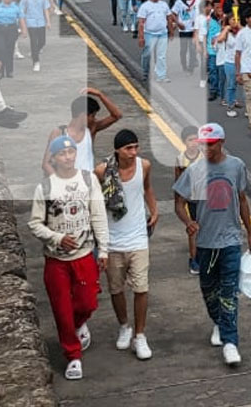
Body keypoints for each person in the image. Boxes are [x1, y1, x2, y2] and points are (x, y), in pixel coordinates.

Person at [173, 123, 251, 366]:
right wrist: (188, 221)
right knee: (210, 292)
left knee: (229, 292)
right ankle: (220, 323)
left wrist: (250, 233)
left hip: (231, 241)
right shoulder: (194, 171)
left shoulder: (236, 166)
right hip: (206, 243)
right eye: (203, 145)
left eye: (210, 144)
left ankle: (231, 342)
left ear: (221, 142)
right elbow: (178, 203)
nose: (206, 149)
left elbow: (242, 200)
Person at [29, 134, 110, 381]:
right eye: (62, 154)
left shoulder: (88, 180)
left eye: (71, 152)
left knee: (88, 302)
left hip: (84, 253)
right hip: (56, 260)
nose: (67, 157)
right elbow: (34, 223)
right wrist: (56, 237)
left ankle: (78, 325)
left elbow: (98, 215)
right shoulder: (45, 187)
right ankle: (73, 356)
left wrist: (104, 248)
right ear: (53, 158)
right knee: (61, 309)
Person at [97, 129, 157, 362]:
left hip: (138, 237)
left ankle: (140, 335)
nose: (133, 153)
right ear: (117, 151)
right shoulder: (102, 172)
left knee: (141, 287)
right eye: (128, 149)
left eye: (136, 147)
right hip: (113, 239)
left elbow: (147, 188)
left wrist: (154, 208)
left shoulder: (144, 166)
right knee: (116, 288)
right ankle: (124, 326)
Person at [42, 88, 122, 176]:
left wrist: (99, 94)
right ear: (83, 115)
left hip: (87, 184)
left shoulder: (91, 129)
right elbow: (46, 164)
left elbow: (116, 115)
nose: (94, 119)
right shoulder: (59, 133)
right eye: (93, 116)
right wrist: (62, 182)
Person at [173, 124, 203, 275]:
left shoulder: (204, 157)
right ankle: (194, 258)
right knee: (193, 228)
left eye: (196, 139)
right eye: (190, 140)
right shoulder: (180, 159)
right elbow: (178, 183)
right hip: (191, 200)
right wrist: (178, 201)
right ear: (184, 142)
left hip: (205, 199)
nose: (194, 142)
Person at [137, 0, 177, 83]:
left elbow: (169, 18)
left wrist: (171, 31)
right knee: (147, 54)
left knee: (161, 55)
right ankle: (145, 73)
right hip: (149, 34)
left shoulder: (164, 5)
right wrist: (141, 37)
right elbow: (141, 23)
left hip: (162, 33)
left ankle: (161, 75)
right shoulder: (145, 6)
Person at [22, 0, 54, 72]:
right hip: (30, 22)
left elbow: (45, 10)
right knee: (33, 41)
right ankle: (36, 61)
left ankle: (34, 52)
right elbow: (22, 11)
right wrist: (22, 24)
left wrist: (48, 22)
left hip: (40, 22)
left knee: (42, 41)